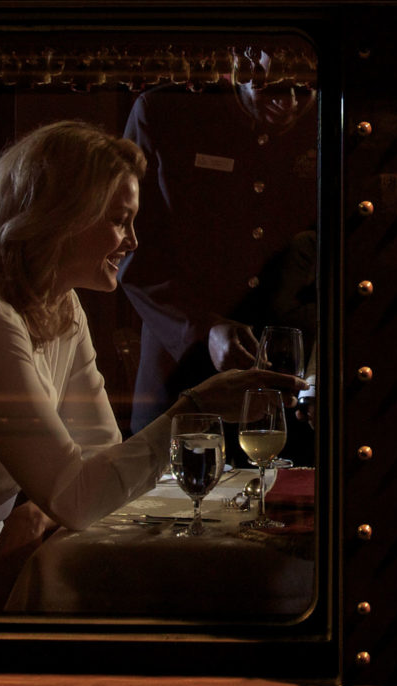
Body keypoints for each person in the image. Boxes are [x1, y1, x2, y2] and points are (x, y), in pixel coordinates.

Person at [0, 121, 302, 605]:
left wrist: (44, 512)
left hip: (9, 553)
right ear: (60, 216)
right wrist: (192, 409)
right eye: (119, 220)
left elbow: (99, 459)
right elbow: (80, 497)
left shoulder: (58, 305)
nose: (132, 242)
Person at [118, 46, 319, 451]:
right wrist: (201, 329)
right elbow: (133, 252)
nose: (290, 104)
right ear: (240, 66)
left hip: (291, 400)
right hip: (183, 385)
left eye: (304, 90)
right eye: (275, 89)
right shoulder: (167, 112)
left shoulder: (329, 121)